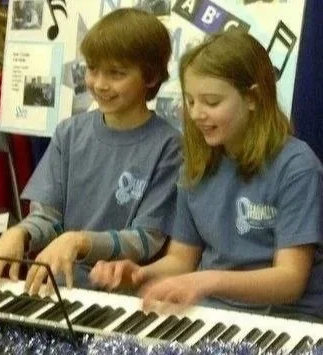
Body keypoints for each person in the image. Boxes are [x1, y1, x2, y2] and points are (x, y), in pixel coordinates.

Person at [89, 30, 323, 322]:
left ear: (252, 98)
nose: (197, 114)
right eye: (190, 101)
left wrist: (207, 281)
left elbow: (290, 280)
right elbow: (182, 259)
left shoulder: (297, 167)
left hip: (286, 319)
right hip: (214, 312)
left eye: (211, 102)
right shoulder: (196, 165)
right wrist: (139, 274)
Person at [0, 8, 181, 295]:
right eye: (92, 69)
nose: (100, 84)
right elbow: (47, 216)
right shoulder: (68, 133)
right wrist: (20, 232)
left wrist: (80, 241)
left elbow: (147, 239)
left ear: (151, 77)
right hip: (56, 287)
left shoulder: (169, 146)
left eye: (116, 73)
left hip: (124, 296)